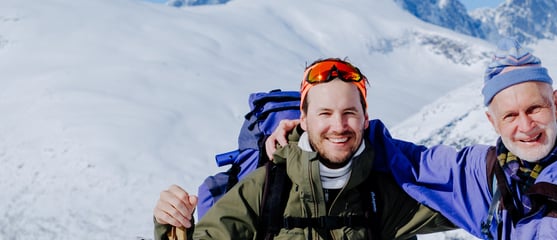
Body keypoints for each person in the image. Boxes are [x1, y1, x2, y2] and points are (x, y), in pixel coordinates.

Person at [266, 39, 557, 240]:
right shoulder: (487, 174)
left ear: (556, 103)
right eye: (510, 115)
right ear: (492, 121)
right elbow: (405, 159)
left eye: (534, 109)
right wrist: (306, 135)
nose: (525, 126)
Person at [152, 58, 453, 240]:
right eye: (325, 113)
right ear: (304, 120)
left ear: (366, 120)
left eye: (350, 113)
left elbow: (468, 199)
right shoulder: (265, 188)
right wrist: (172, 225)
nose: (338, 126)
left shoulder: (383, 193)